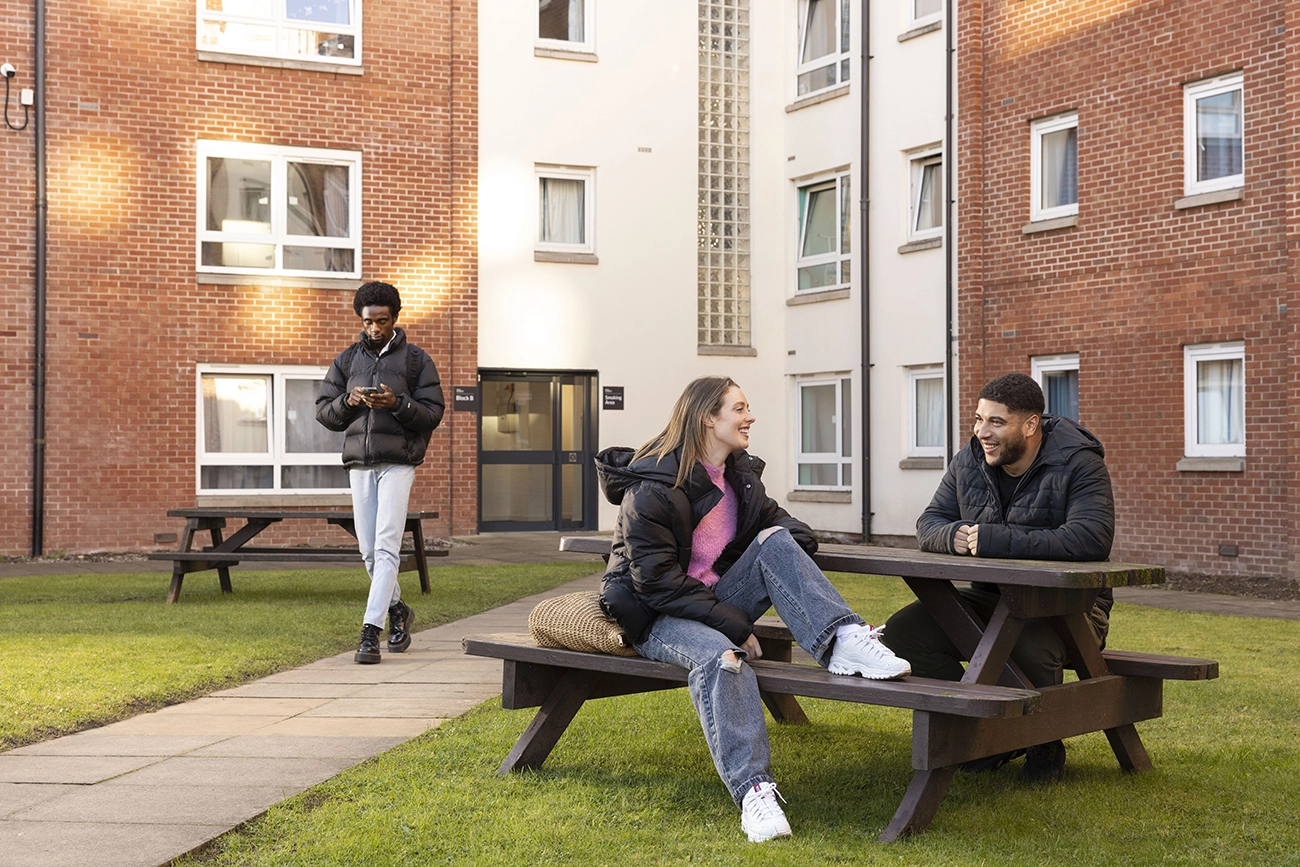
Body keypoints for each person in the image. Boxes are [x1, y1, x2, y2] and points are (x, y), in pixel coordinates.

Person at [596, 376, 910, 844]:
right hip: (656, 614)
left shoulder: (737, 475)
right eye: (739, 408)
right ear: (708, 417)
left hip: (713, 600)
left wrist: (789, 548)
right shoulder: (654, 487)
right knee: (726, 659)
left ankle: (842, 640)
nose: (750, 416)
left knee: (775, 541)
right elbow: (657, 583)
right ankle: (754, 793)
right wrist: (734, 626)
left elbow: (777, 523)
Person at [880, 372, 1115, 781]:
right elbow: (929, 522)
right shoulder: (969, 460)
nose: (981, 433)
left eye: (995, 422)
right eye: (977, 419)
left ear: (1030, 425)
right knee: (903, 634)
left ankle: (1042, 741)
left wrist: (993, 539)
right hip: (992, 600)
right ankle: (990, 731)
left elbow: (1089, 539)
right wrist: (952, 536)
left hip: (1073, 609)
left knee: (1025, 644)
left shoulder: (1079, 462)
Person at [316, 281, 445, 664]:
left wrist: (397, 403)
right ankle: (398, 610)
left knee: (387, 544)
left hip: (398, 462)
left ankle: (370, 633)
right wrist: (349, 401)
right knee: (369, 551)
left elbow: (432, 413)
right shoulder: (346, 361)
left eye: (382, 321)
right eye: (368, 321)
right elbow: (324, 412)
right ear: (361, 319)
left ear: (395, 318)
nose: (375, 329)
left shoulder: (416, 361)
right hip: (360, 463)